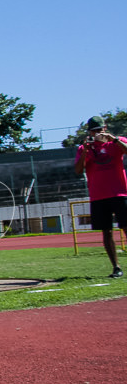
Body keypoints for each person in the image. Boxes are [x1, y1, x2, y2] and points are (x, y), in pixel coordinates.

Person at [74, 115, 127, 278]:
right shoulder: (84, 148)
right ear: (89, 132)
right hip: (98, 195)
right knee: (106, 232)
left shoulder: (115, 143)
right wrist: (85, 150)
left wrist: (115, 139)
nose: (97, 133)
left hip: (120, 192)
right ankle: (116, 267)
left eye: (100, 129)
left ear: (105, 128)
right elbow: (78, 170)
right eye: (94, 131)